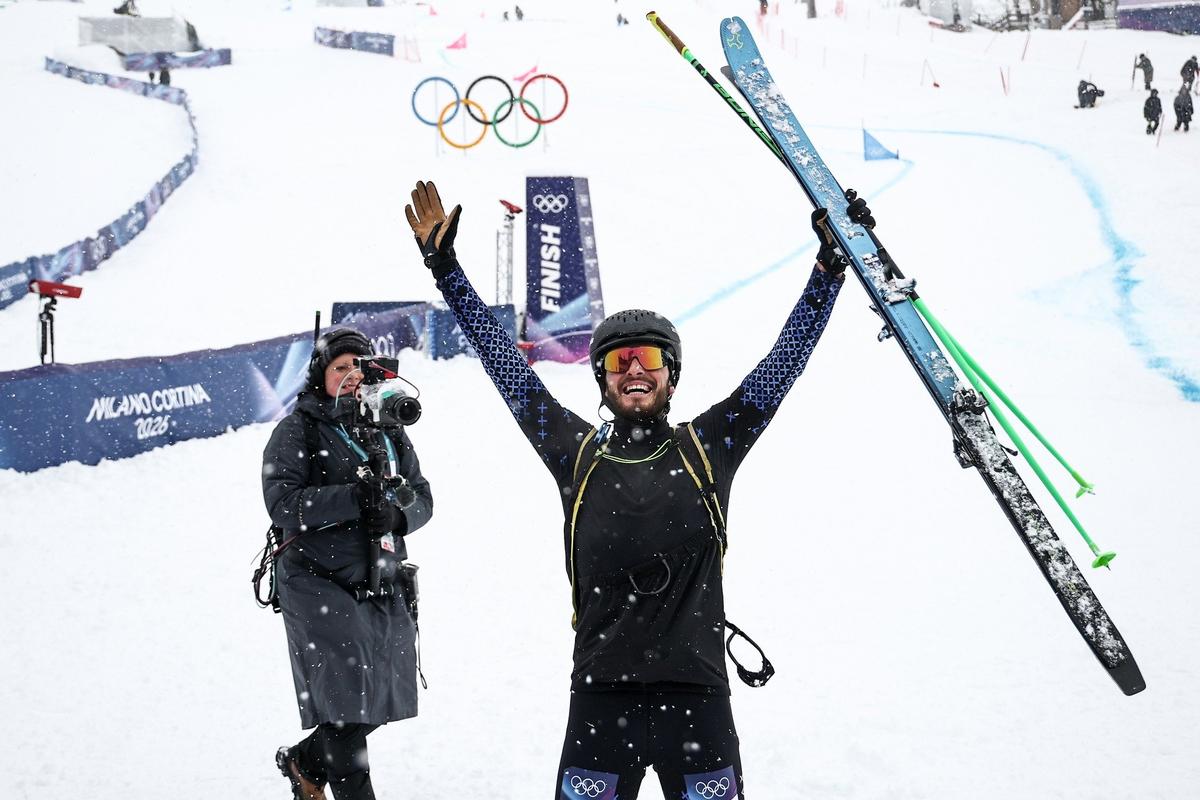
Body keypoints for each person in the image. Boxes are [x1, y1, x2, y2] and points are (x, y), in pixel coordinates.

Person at [403, 180, 873, 799]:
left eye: (648, 360)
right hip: (602, 700)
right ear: (599, 380)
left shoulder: (708, 449)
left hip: (697, 700)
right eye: (619, 361)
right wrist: (446, 269)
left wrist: (828, 269)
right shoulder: (576, 454)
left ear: (671, 378)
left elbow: (780, 366)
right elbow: (505, 368)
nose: (633, 370)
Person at [262, 327, 433, 800]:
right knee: (345, 706)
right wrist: (353, 499)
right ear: (321, 376)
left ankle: (306, 762)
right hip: (317, 582)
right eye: (341, 367)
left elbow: (423, 496)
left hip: (382, 577)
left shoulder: (388, 425)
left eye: (360, 365)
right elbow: (283, 503)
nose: (352, 375)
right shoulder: (298, 429)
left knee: (376, 700)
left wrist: (397, 514)